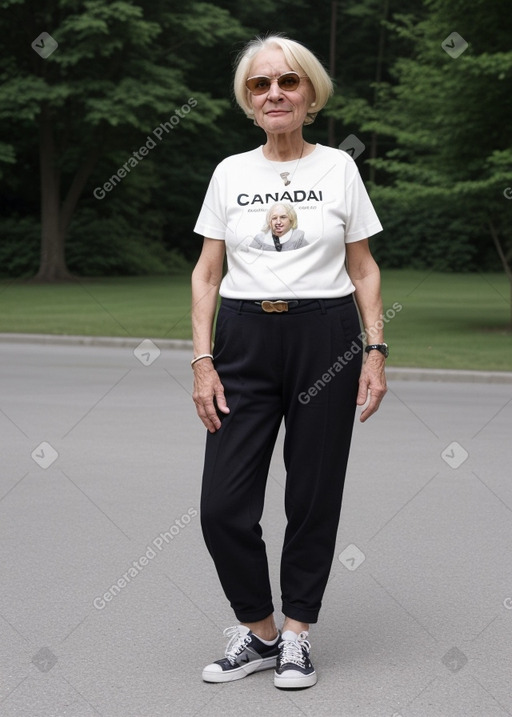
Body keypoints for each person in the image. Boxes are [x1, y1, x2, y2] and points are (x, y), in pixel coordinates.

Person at [191, 34, 387, 690]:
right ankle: (261, 630)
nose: (274, 93)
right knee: (221, 506)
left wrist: (375, 350)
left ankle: (298, 634)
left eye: (287, 82)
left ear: (309, 95)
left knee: (312, 494)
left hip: (325, 336)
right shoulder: (229, 173)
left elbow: (363, 268)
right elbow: (206, 272)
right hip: (244, 338)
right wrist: (202, 359)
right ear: (249, 101)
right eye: (259, 85)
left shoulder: (339, 169)